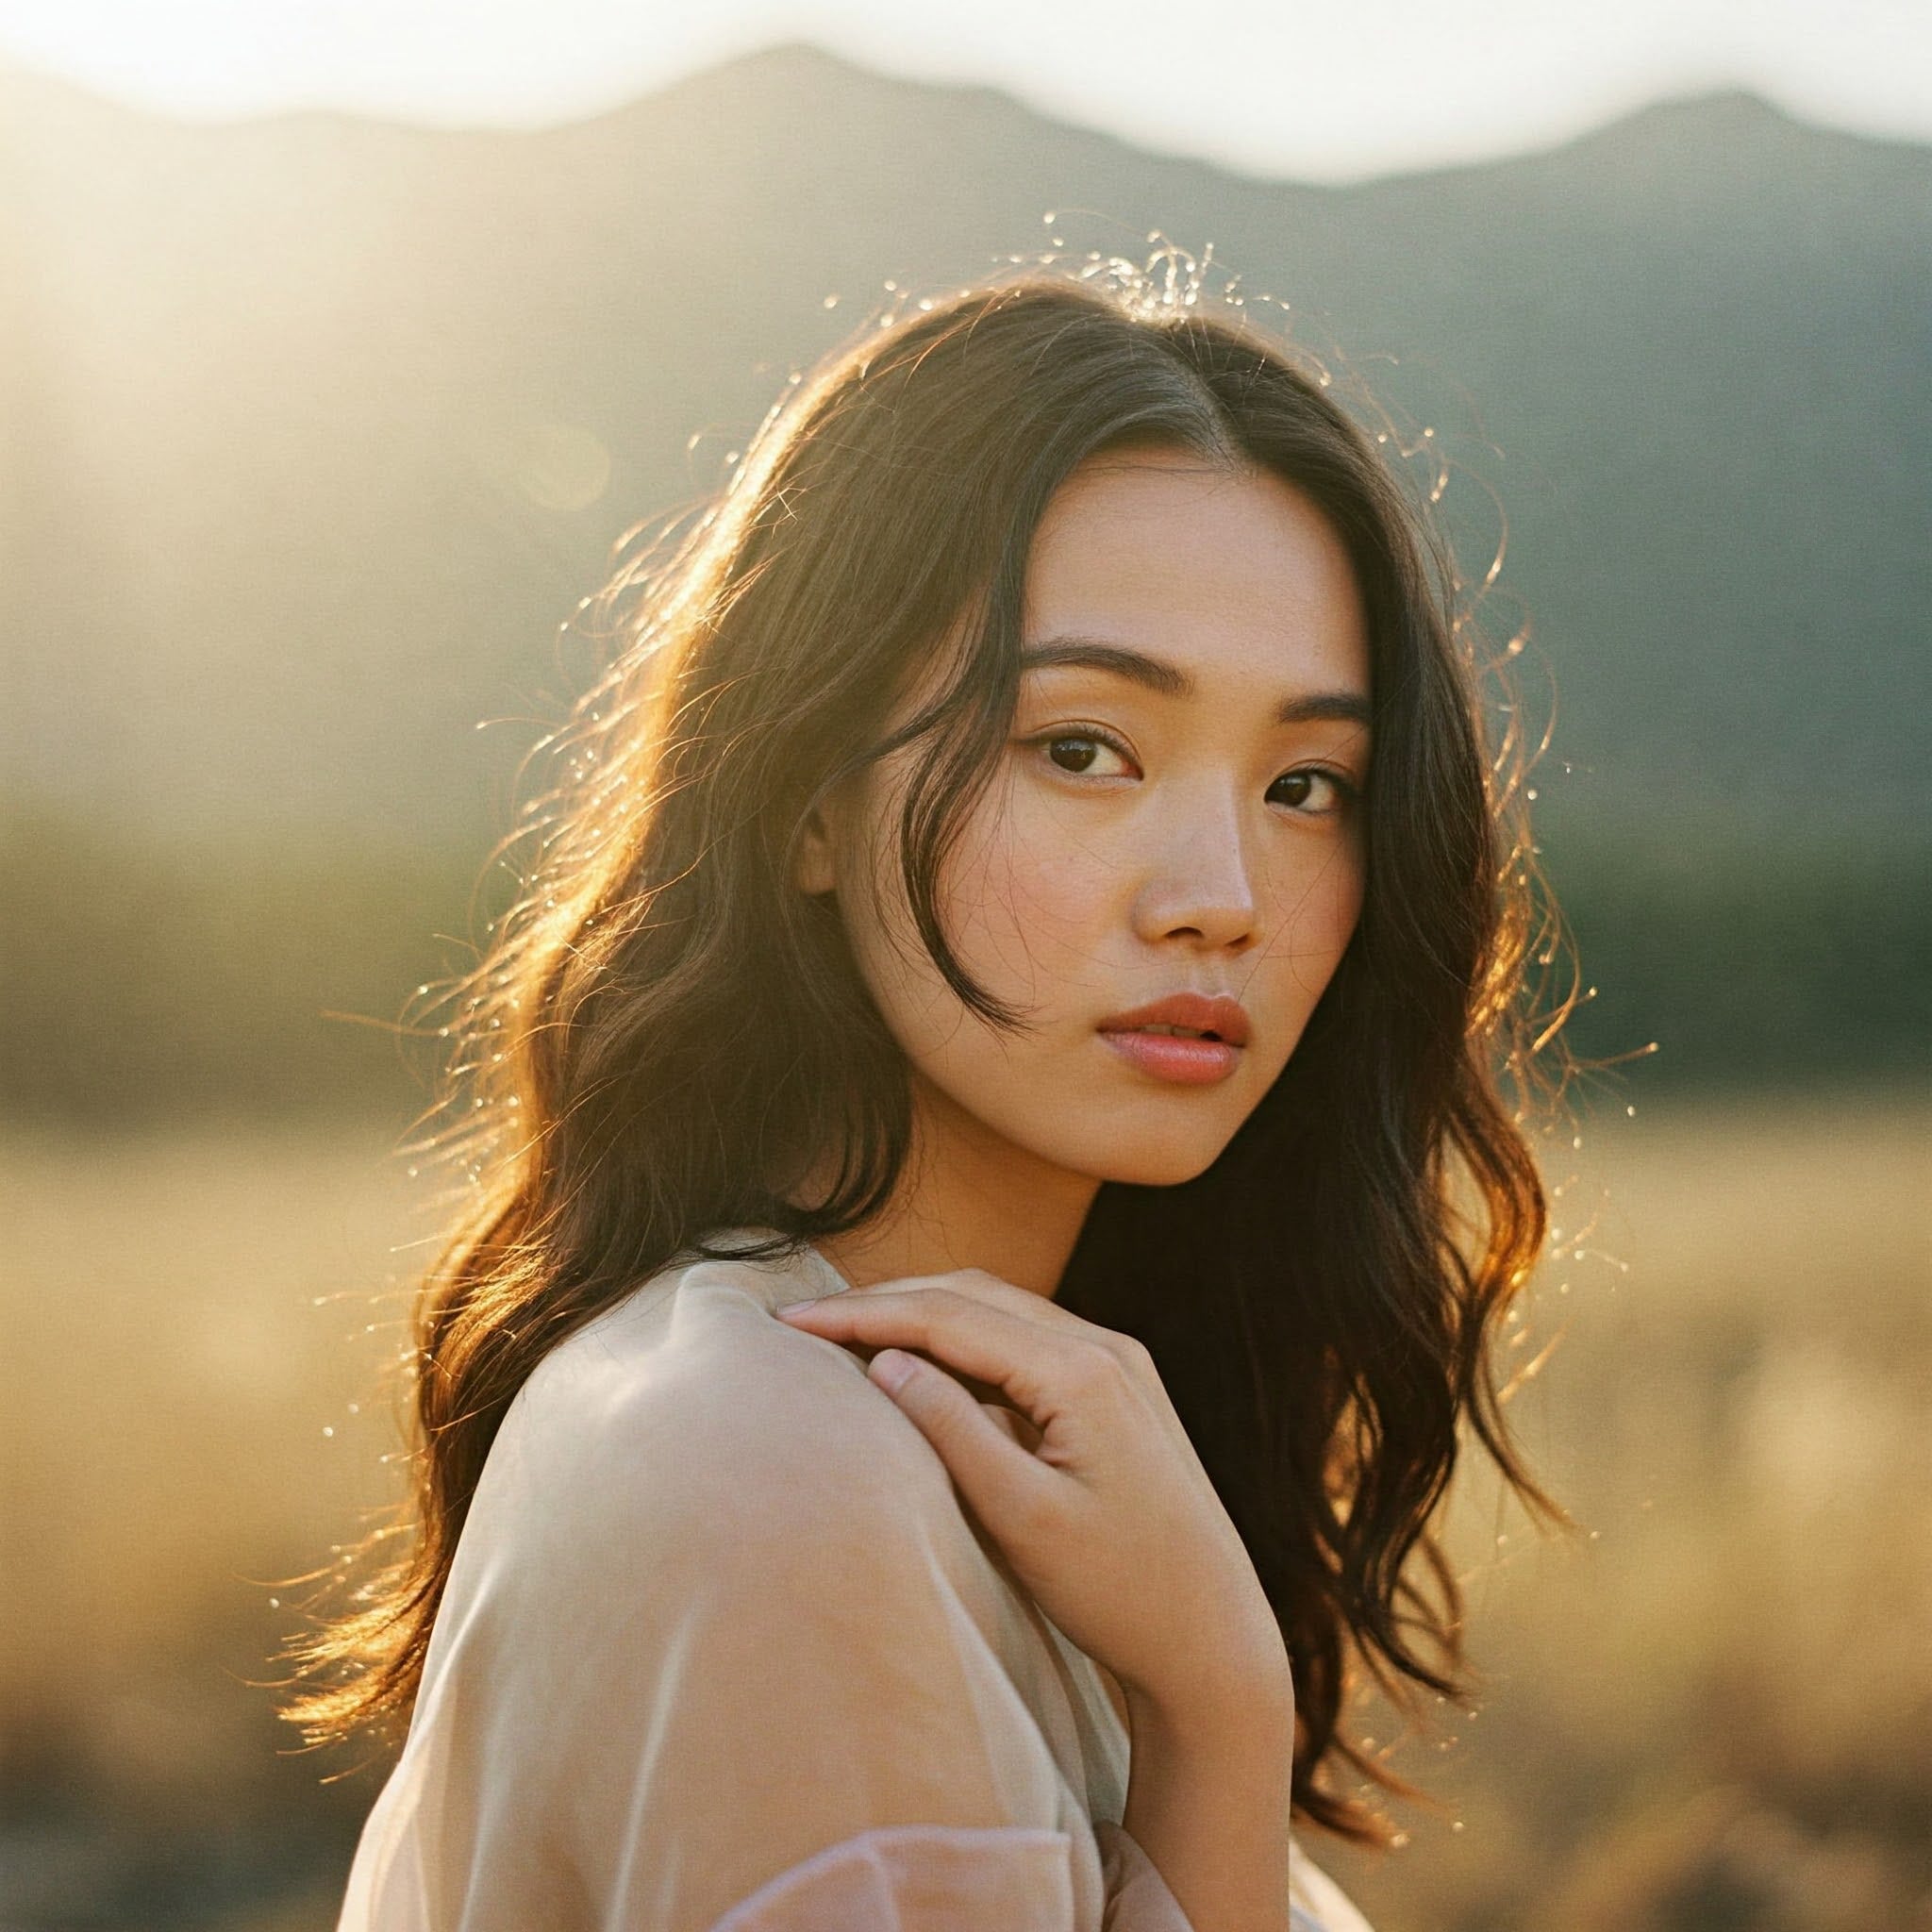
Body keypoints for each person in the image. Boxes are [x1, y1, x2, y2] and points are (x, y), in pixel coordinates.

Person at [288, 258, 1561, 1932]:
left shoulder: (925, 1426)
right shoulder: (767, 1479)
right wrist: (1217, 1707)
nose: (1221, 892)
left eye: (1309, 783)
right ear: (805, 795)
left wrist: (1211, 1692)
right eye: (1083, 747)